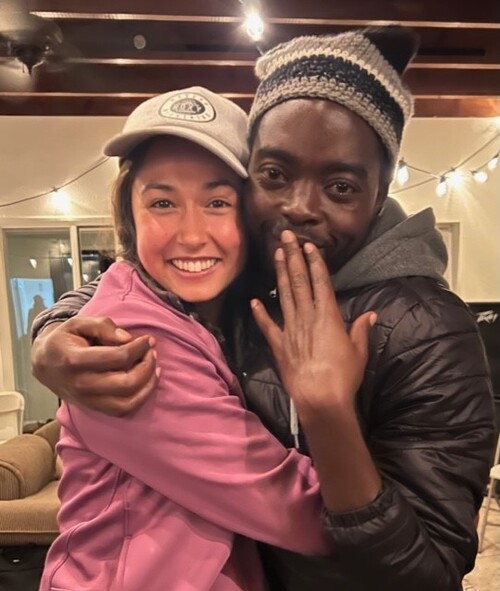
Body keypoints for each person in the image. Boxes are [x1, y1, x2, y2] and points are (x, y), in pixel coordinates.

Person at [32, 28, 495, 591]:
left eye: (341, 186)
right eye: (274, 175)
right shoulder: (249, 276)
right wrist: (53, 332)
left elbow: (428, 574)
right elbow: (139, 287)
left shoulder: (429, 330)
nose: (299, 208)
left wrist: (328, 414)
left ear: (379, 197)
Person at [38, 86, 342, 591]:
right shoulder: (132, 340)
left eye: (217, 202)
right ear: (130, 216)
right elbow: (302, 514)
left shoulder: (220, 310)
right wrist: (397, 522)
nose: (192, 234)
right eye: (163, 202)